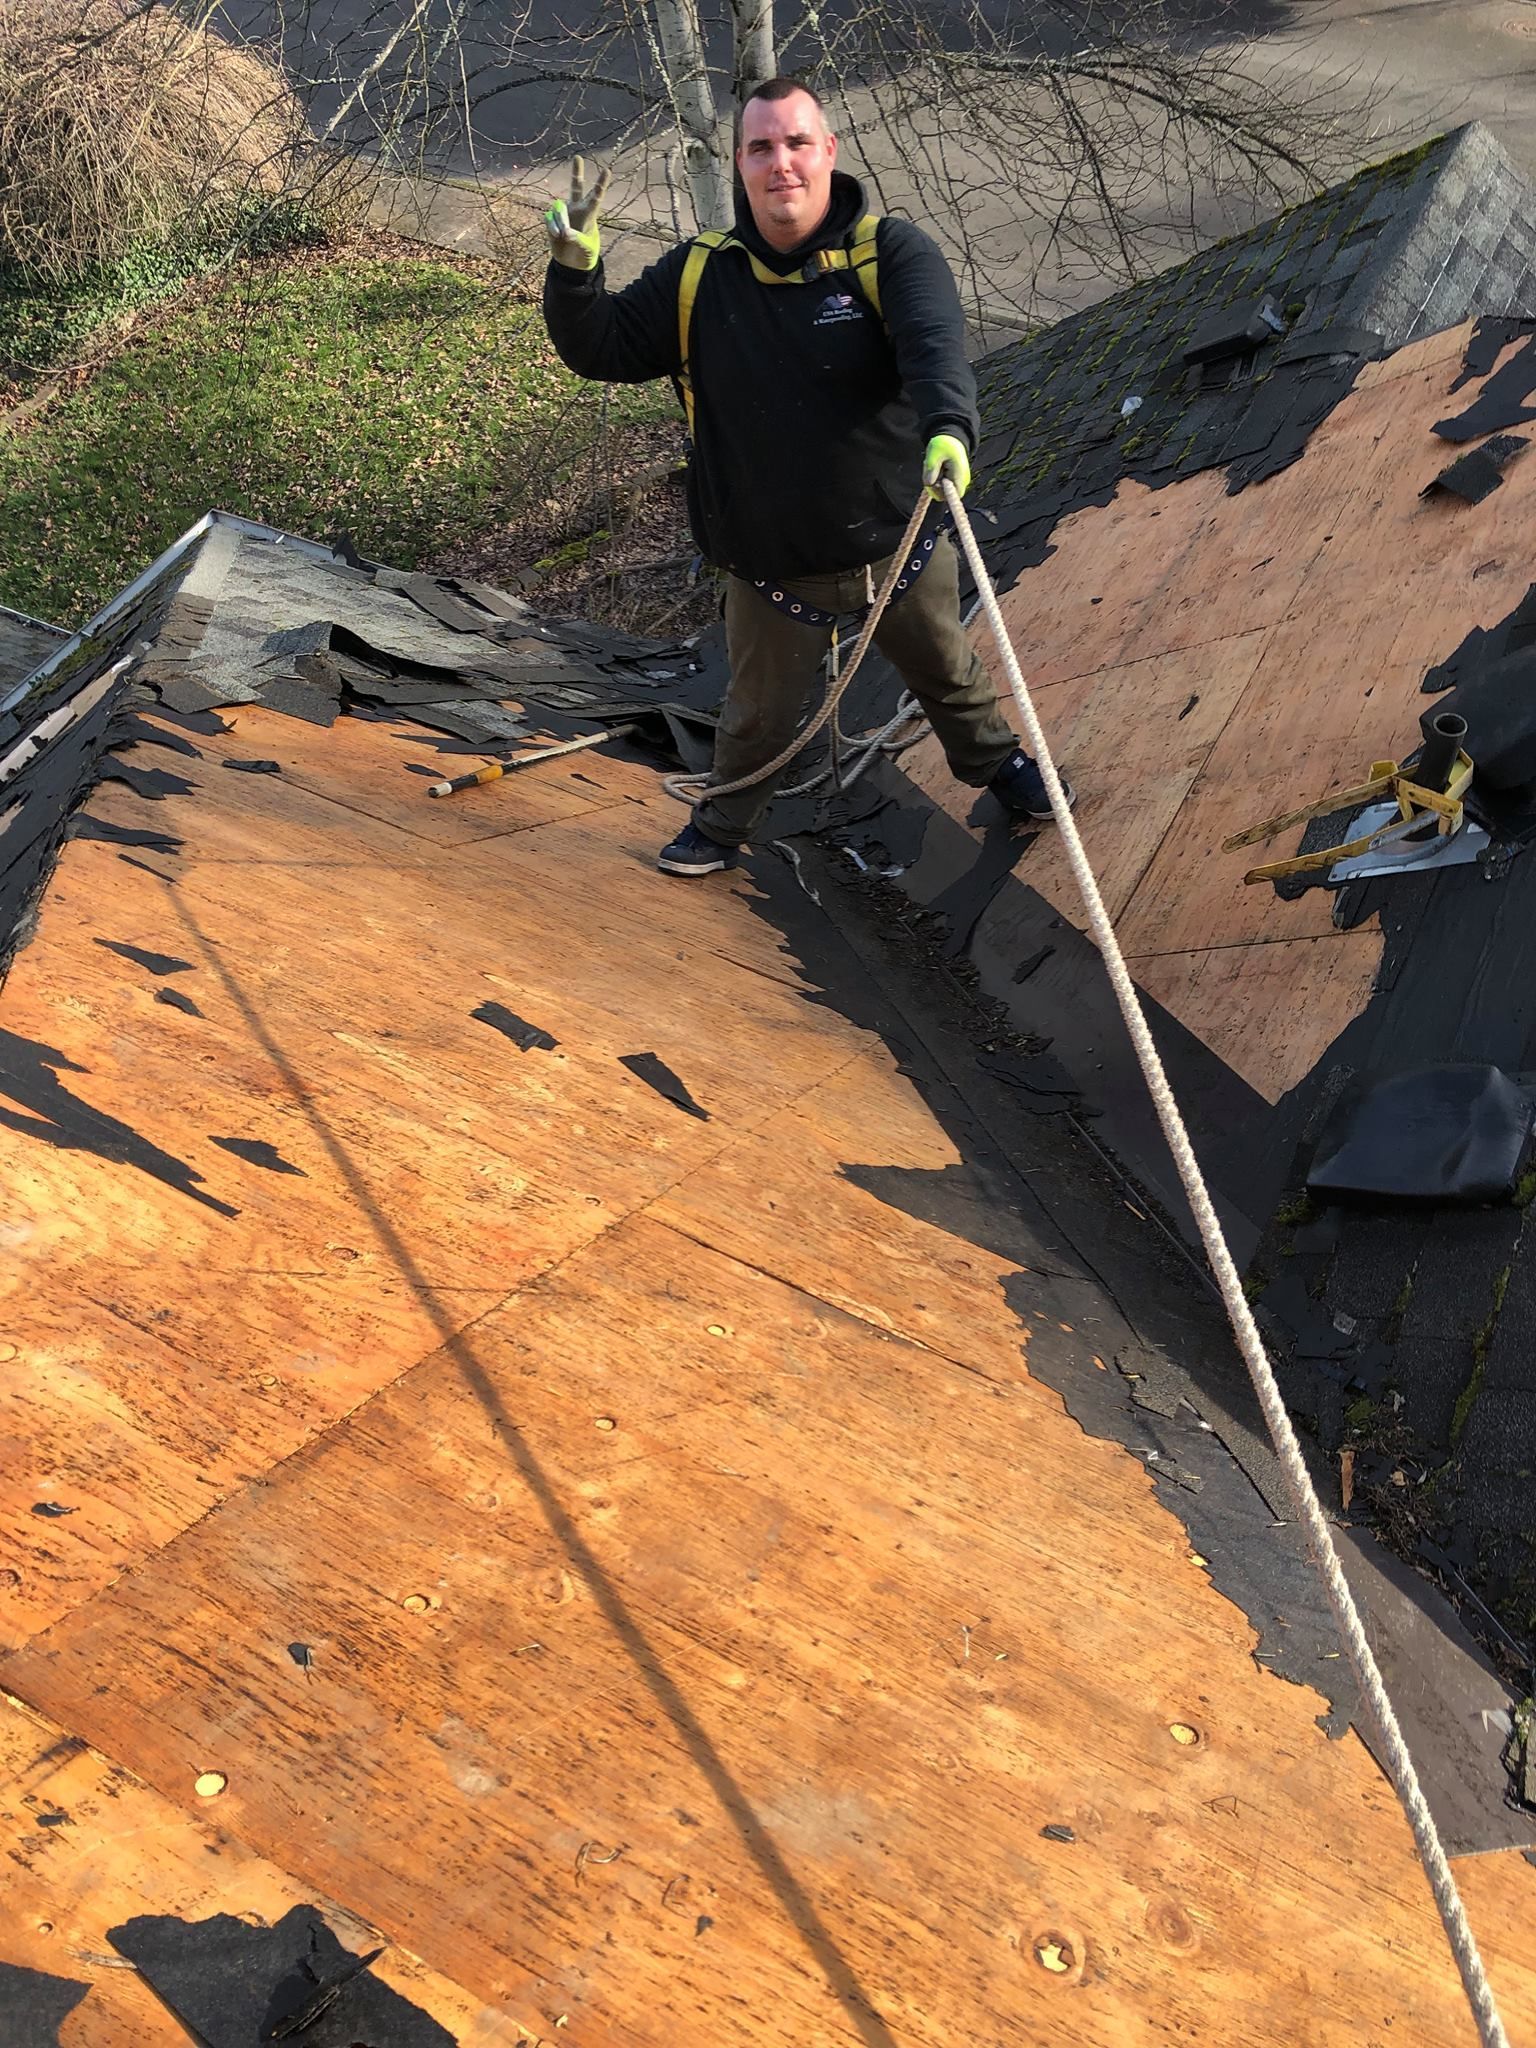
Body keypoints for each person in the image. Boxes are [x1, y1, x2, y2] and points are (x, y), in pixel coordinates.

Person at [541, 76, 1073, 876]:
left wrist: (949, 432)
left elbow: (934, 348)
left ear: (827, 151)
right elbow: (602, 349)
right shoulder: (697, 277)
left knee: (951, 677)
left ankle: (1004, 771)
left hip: (896, 543)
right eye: (761, 147)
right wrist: (575, 275)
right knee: (757, 719)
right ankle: (723, 828)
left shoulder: (889, 255)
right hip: (769, 564)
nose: (780, 162)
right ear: (739, 164)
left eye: (796, 142)